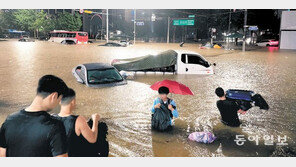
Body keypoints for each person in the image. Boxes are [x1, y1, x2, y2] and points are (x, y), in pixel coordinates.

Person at [0, 75, 69, 157]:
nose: (58, 104)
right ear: (54, 96)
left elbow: (2, 155)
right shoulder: (54, 126)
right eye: (59, 99)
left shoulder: (9, 120)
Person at [53, 88, 108, 157]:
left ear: (59, 102)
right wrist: (95, 120)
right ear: (73, 101)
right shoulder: (78, 119)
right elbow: (93, 139)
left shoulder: (51, 117)